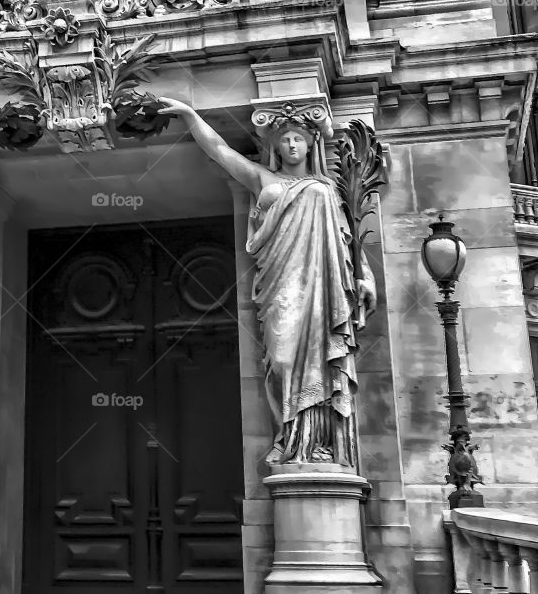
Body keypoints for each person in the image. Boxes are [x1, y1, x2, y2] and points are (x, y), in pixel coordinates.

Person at [157, 99, 376, 467]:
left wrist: (363, 274)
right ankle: (289, 435)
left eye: (299, 140)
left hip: (321, 285)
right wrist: (191, 114)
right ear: (275, 147)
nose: (291, 145)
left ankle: (313, 445)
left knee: (317, 358)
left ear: (310, 145)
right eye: (285, 140)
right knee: (282, 356)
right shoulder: (264, 179)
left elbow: (347, 238)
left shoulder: (327, 188)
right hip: (280, 284)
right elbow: (220, 151)